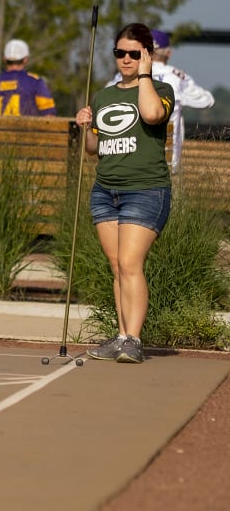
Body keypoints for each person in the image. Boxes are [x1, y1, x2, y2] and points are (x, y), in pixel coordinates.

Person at [75, 22, 175, 364]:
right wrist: (86, 127)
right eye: (120, 53)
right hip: (106, 191)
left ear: (146, 54)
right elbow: (94, 148)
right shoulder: (104, 96)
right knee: (118, 266)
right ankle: (121, 336)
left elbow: (151, 114)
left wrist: (145, 76)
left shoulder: (160, 89)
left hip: (146, 190)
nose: (126, 60)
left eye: (134, 54)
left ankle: (134, 339)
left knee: (132, 263)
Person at [107, 29, 214, 171]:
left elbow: (104, 97)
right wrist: (181, 98)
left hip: (126, 159)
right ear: (168, 53)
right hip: (167, 160)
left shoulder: (124, 75)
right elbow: (207, 100)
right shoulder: (176, 77)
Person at [0, 39, 56, 116]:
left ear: (4, 59)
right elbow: (49, 114)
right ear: (25, 59)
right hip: (26, 128)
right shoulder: (35, 82)